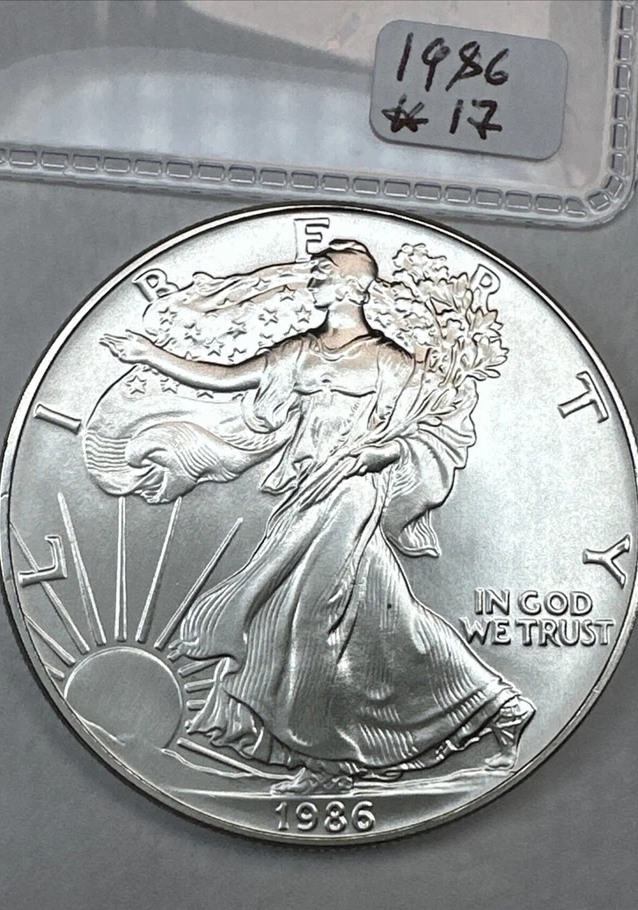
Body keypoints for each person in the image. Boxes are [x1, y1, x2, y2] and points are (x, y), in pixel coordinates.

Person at [99, 239, 534, 794]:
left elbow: (431, 432)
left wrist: (384, 451)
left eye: (322, 274)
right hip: (304, 495)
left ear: (354, 286)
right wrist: (151, 355)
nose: (312, 282)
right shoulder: (298, 352)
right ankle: (499, 706)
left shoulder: (392, 363)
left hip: (351, 494)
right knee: (389, 622)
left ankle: (326, 763)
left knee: (310, 618)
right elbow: (225, 377)